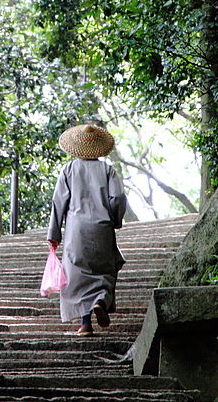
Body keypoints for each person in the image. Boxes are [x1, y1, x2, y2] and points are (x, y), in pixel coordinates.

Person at [47, 123, 127, 336]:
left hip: (76, 231)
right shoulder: (107, 170)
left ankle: (85, 324)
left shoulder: (69, 170)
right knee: (105, 270)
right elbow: (118, 198)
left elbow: (58, 202)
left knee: (77, 275)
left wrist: (54, 234)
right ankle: (100, 300)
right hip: (102, 228)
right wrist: (115, 220)